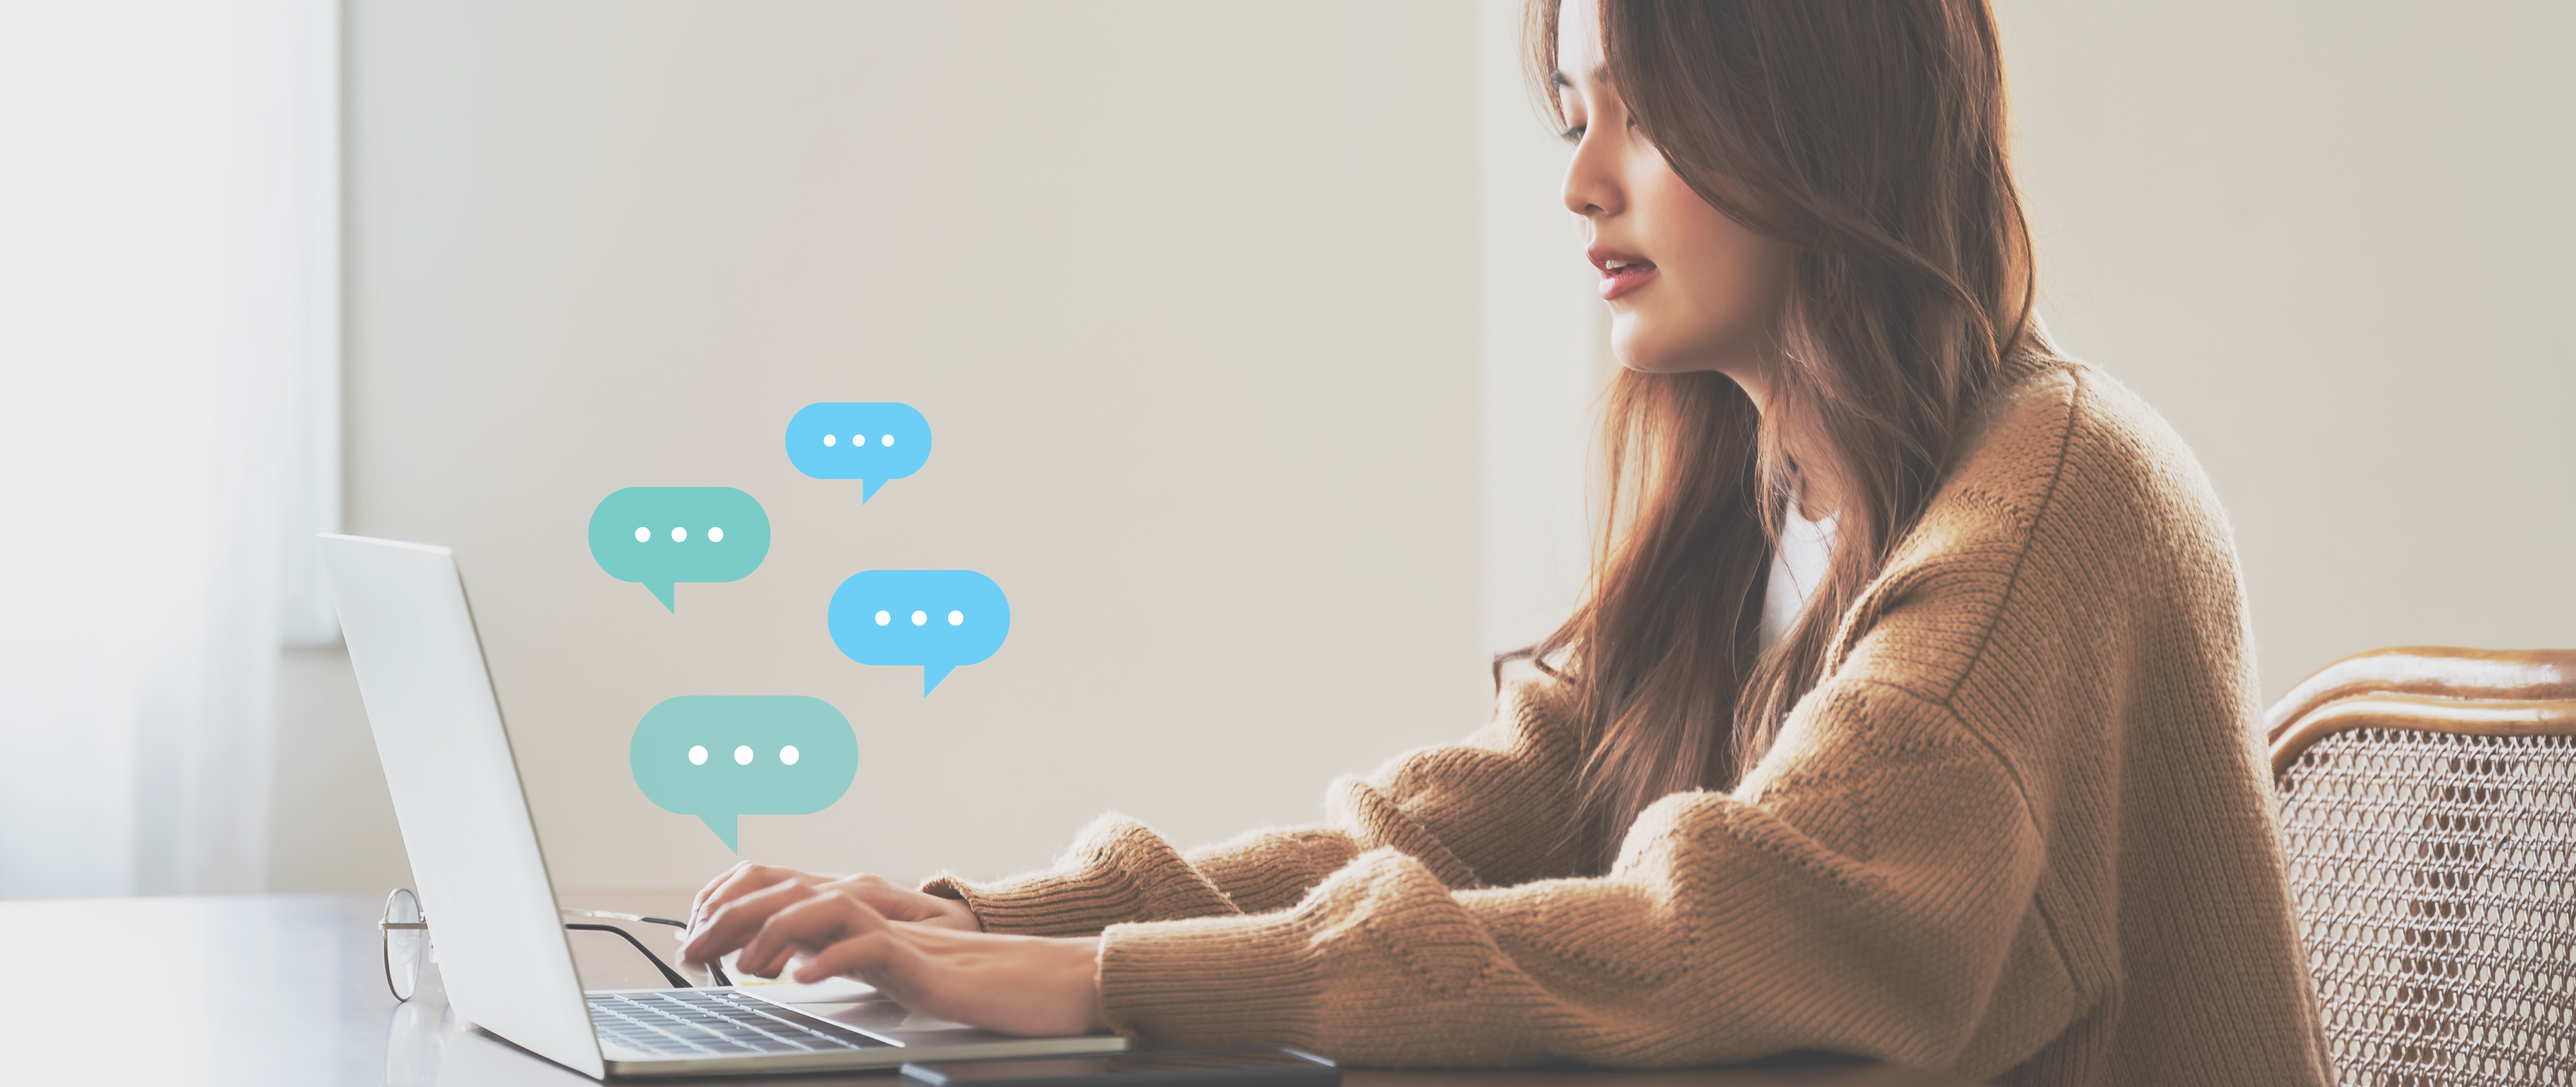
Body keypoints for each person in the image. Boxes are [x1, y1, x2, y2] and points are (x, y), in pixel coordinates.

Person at [677, 1, 2330, 1082]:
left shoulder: (2054, 502)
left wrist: (1104, 979)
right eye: (1570, 113)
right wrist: (995, 928)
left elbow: (1730, 935)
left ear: (1826, 123)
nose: (1580, 185)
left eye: (1646, 118)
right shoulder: (1760, 510)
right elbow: (1450, 839)